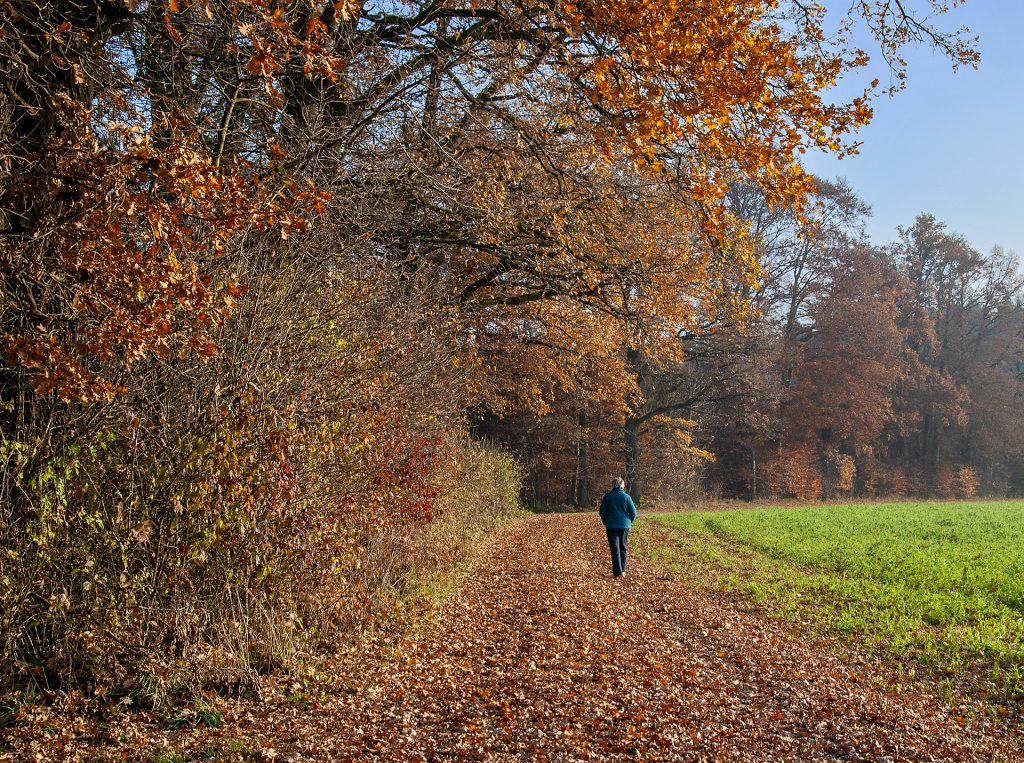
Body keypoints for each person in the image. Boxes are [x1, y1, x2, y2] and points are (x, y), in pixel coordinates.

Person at [598, 477, 637, 578]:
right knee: (623, 547)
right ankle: (623, 570)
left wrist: (605, 521)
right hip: (624, 526)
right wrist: (629, 522)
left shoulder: (607, 497)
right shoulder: (627, 497)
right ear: (620, 485)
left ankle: (617, 572)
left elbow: (602, 512)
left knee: (615, 549)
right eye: (623, 484)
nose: (624, 485)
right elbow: (633, 513)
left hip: (611, 525)